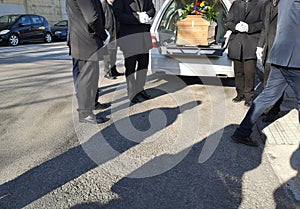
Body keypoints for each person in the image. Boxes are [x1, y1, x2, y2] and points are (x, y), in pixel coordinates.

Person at [232, 0, 300, 147]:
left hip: (279, 56)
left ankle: (241, 132)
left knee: (266, 96)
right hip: (295, 60)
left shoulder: (283, 3)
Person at [66, 0, 110, 124]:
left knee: (92, 76)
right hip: (85, 42)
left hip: (86, 41)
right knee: (86, 79)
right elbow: (92, 18)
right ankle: (85, 113)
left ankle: (93, 103)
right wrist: (104, 35)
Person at [113, 0, 156, 104]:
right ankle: (131, 92)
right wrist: (137, 17)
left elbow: (152, 9)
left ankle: (140, 89)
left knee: (143, 66)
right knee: (130, 67)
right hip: (129, 39)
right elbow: (118, 14)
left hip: (144, 38)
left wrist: (147, 15)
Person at [226, 0, 265, 107]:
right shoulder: (236, 4)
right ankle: (240, 93)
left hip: (251, 42)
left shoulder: (260, 3)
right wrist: (235, 27)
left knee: (249, 73)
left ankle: (249, 96)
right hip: (237, 42)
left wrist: (249, 27)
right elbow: (228, 21)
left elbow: (264, 24)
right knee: (238, 72)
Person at [256, 0, 283, 122]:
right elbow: (264, 27)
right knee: (267, 81)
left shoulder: (285, 4)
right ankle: (267, 108)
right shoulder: (267, 4)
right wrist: (260, 45)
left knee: (277, 83)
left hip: (281, 50)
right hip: (268, 50)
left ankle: (274, 110)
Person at [101, 0, 124, 80]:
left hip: (115, 33)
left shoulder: (115, 5)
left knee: (113, 54)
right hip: (108, 34)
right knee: (107, 55)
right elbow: (101, 18)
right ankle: (107, 72)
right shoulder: (104, 4)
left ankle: (114, 70)